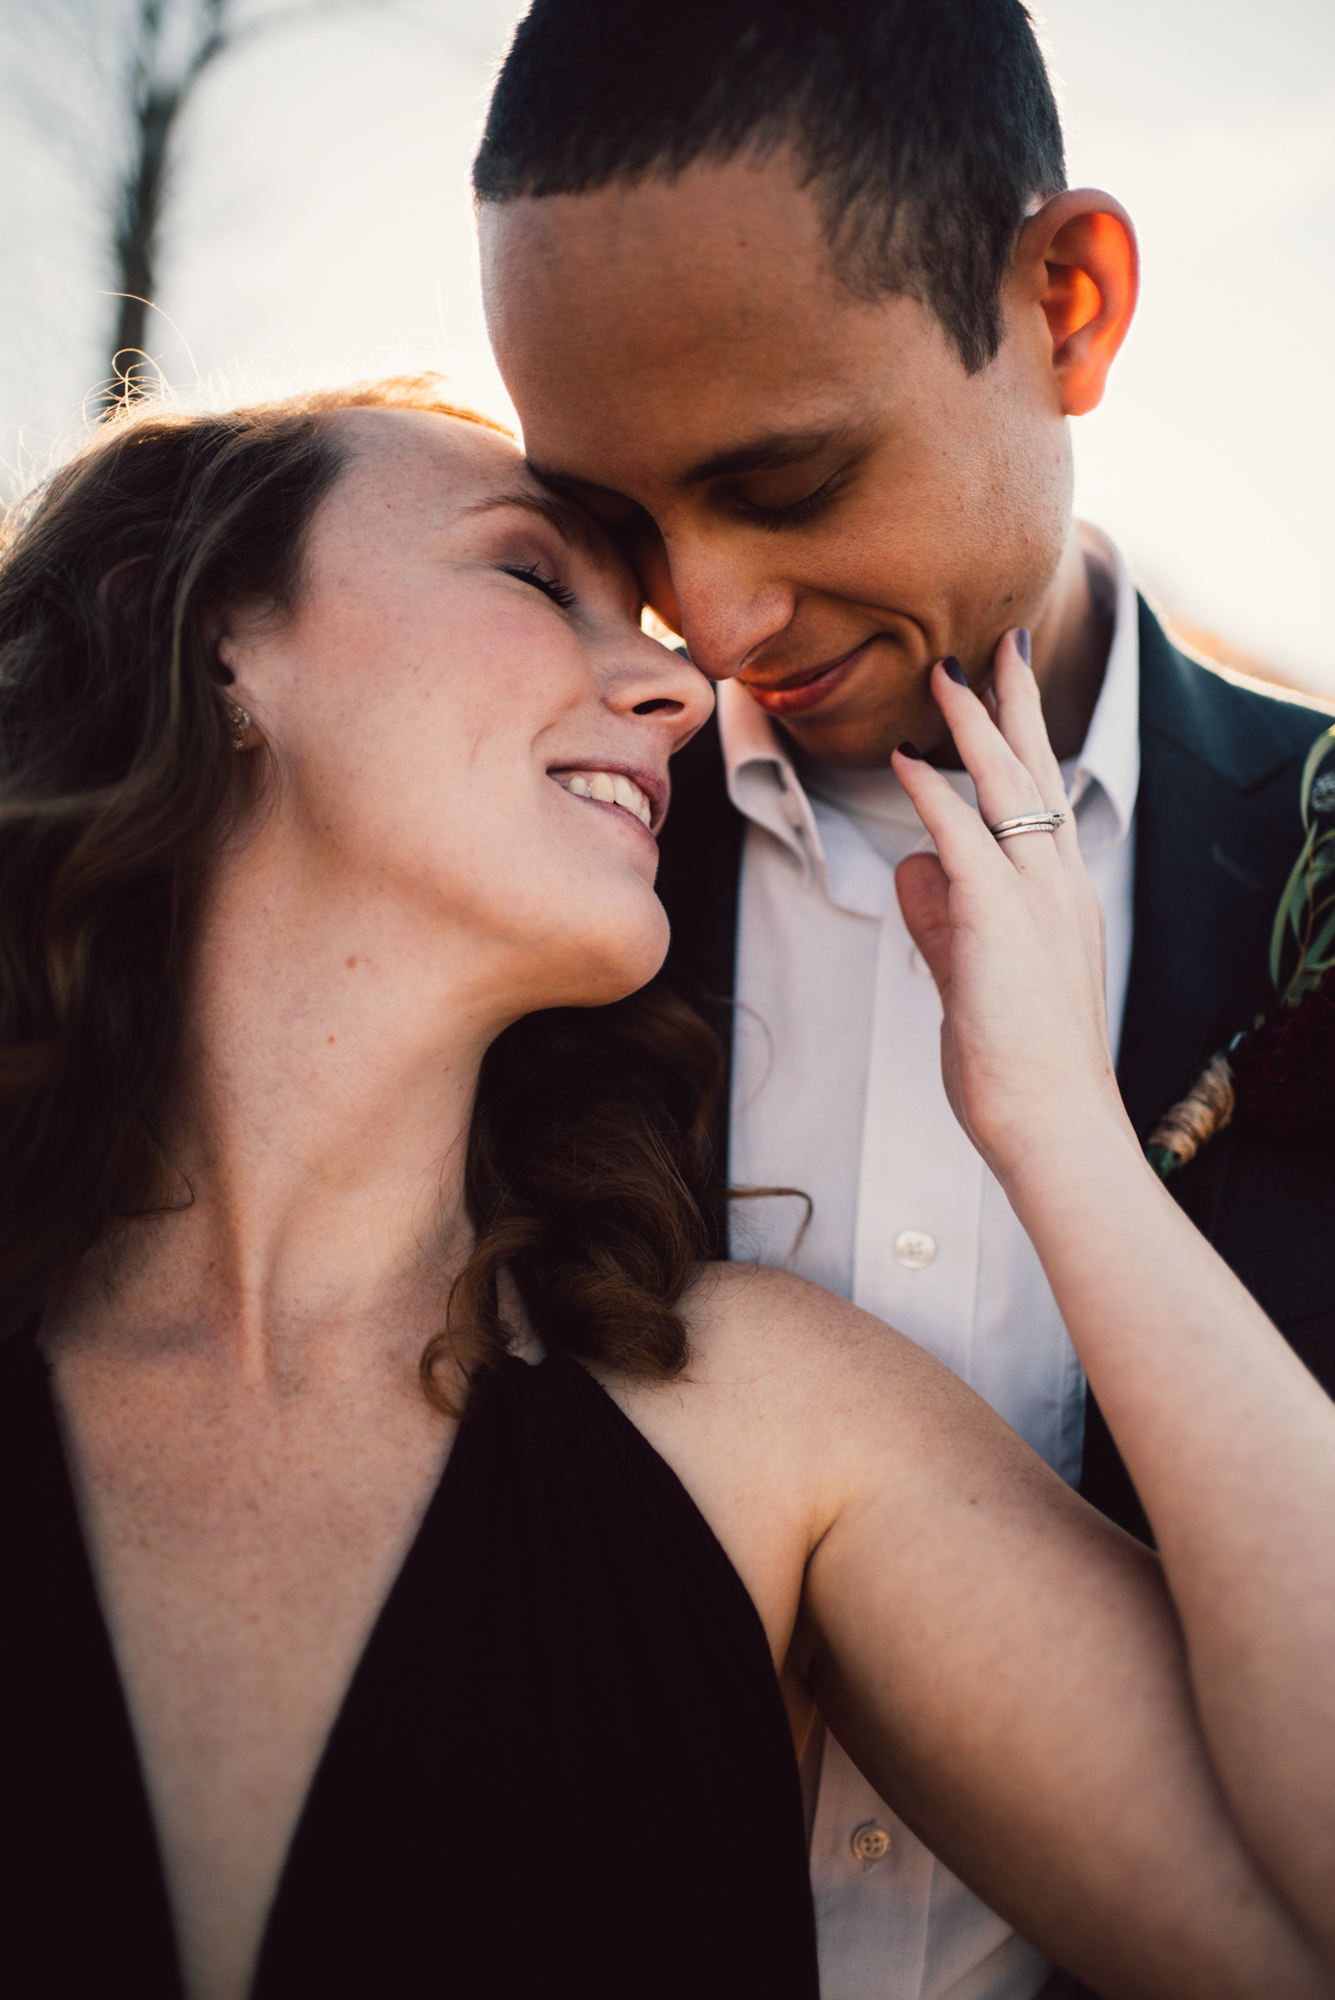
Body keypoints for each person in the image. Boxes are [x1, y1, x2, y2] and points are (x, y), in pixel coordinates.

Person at [3, 377, 1335, 2000]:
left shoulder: (769, 1423)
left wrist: (1060, 1124)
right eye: (529, 577)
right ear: (212, 635)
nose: (681, 681)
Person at [471, 2, 1335, 1991]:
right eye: (613, 519)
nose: (709, 616)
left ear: (1065, 302)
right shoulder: (495, 868)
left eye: (784, 478)